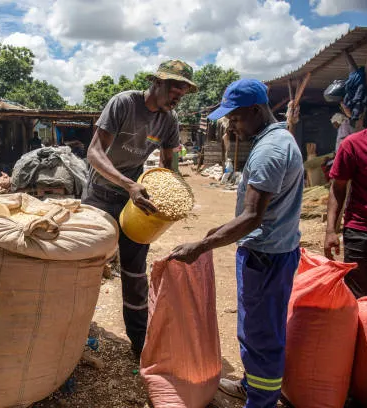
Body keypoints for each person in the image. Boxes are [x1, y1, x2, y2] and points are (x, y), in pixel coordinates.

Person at [169, 79, 304, 408]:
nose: (232, 124)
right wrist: (222, 228)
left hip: (265, 256)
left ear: (257, 111)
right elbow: (256, 213)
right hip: (276, 249)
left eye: (236, 118)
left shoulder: (269, 152)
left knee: (260, 336)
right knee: (259, 329)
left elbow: (252, 217)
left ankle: (260, 401)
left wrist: (200, 247)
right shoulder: (277, 139)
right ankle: (251, 386)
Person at [83, 59, 198, 357]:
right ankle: (77, 331)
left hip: (134, 199)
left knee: (135, 273)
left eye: (183, 95)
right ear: (157, 83)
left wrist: (172, 192)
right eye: (175, 89)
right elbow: (94, 153)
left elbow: (168, 165)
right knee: (87, 265)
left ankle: (139, 343)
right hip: (100, 193)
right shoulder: (124, 103)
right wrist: (128, 184)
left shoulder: (168, 122)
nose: (177, 98)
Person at [324, 121, 367, 298]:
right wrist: (331, 230)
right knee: (360, 300)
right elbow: (337, 188)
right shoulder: (353, 144)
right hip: (362, 234)